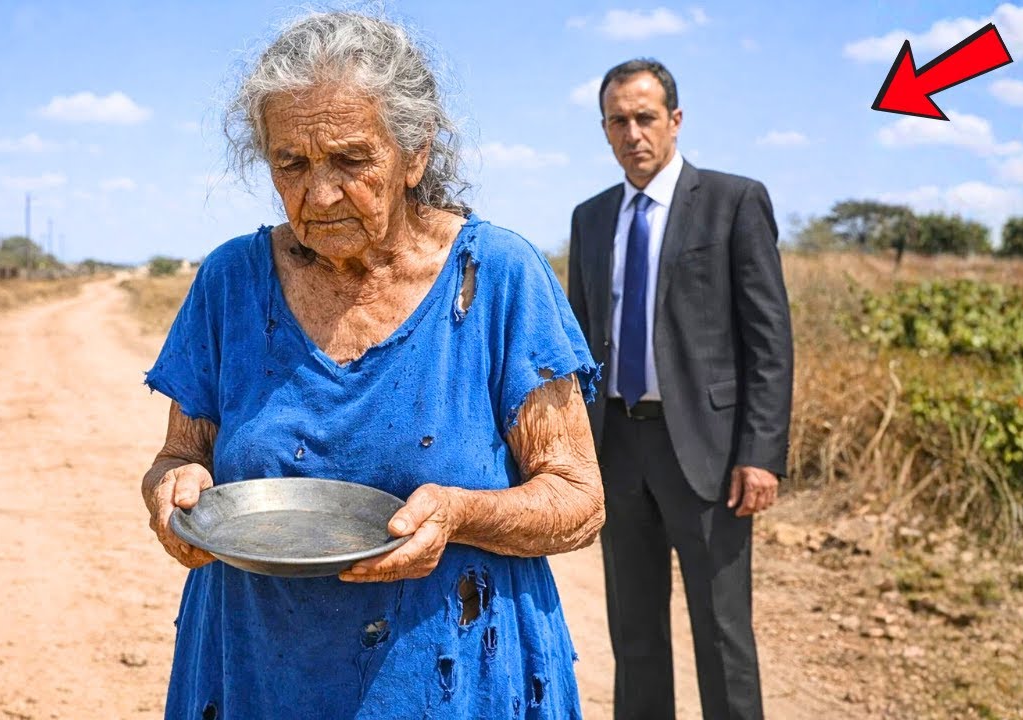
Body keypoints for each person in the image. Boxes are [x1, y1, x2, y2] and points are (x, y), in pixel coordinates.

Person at [140, 12, 604, 719]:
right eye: (290, 163)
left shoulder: (498, 276)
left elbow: (578, 501)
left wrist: (458, 514)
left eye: (352, 161)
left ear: (414, 153)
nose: (319, 195)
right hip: (256, 671)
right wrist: (173, 489)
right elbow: (180, 454)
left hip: (448, 677)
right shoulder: (231, 282)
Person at [567, 59, 794, 720]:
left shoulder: (733, 201)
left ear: (675, 120)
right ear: (604, 129)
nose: (633, 132)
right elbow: (581, 344)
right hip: (619, 448)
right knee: (634, 636)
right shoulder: (590, 218)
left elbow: (769, 340)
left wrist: (762, 452)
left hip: (710, 454)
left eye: (645, 117)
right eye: (618, 120)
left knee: (723, 636)